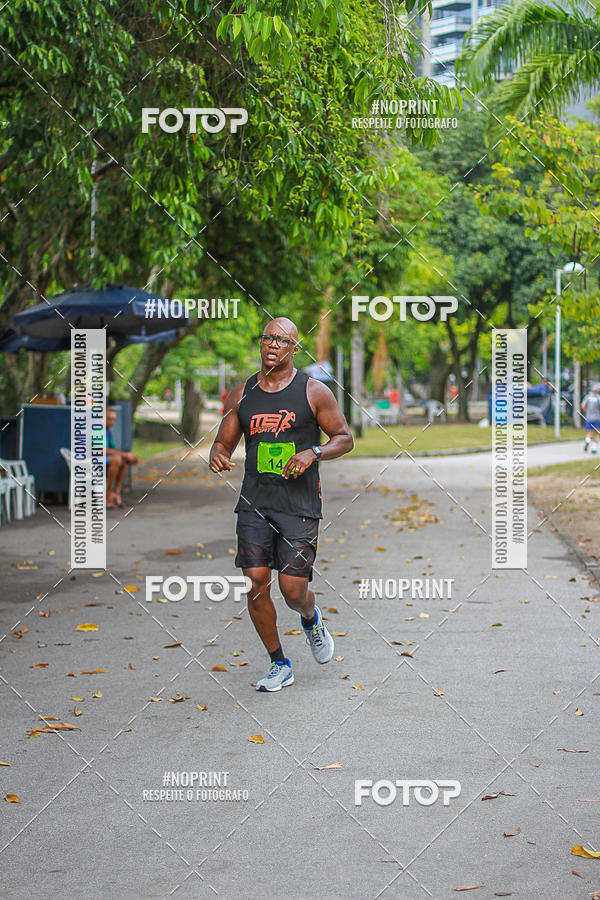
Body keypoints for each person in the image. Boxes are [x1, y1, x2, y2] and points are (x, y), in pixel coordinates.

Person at [209, 317, 354, 692]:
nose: (272, 345)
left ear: (294, 348)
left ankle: (310, 617)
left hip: (298, 502)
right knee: (256, 583)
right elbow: (223, 441)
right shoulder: (242, 394)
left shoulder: (314, 392)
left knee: (293, 590)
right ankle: (279, 664)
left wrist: (314, 452)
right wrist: (218, 453)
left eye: (281, 340)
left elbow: (344, 438)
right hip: (255, 501)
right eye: (267, 338)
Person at [105, 408, 138, 508]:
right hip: (90, 460)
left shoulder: (108, 431)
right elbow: (102, 450)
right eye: (109, 419)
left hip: (103, 458)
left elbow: (112, 448)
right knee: (117, 459)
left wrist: (127, 455)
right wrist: (124, 454)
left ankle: (116, 491)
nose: (112, 422)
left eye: (113, 419)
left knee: (125, 461)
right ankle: (108, 493)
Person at [582, 384, 600, 454]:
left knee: (589, 432)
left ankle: (587, 441)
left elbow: (583, 405)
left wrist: (587, 412)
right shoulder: (598, 398)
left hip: (589, 418)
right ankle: (594, 448)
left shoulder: (588, 397)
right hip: (597, 418)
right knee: (597, 433)